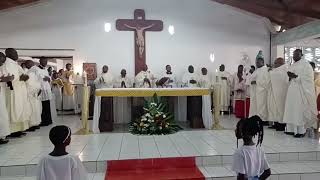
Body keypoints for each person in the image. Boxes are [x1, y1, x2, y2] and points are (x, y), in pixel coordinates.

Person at [283, 49, 318, 138]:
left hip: (300, 91)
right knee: (291, 108)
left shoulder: (306, 65)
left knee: (298, 110)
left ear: (301, 55)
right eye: (293, 55)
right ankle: (290, 129)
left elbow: (308, 78)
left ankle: (300, 131)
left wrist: (295, 76)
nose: (294, 56)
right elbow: (288, 77)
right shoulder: (293, 65)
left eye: (296, 55)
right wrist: (289, 77)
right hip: (292, 90)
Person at [232, 116, 271, 180]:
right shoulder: (259, 149)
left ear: (242, 133)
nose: (235, 130)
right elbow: (267, 172)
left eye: (237, 128)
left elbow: (241, 177)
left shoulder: (240, 152)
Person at [4, 48, 31, 137]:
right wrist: (20, 78)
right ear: (8, 54)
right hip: (13, 91)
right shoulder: (7, 63)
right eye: (15, 52)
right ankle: (12, 131)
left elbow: (23, 74)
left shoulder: (15, 64)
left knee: (19, 108)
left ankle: (18, 129)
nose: (17, 54)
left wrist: (25, 77)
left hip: (20, 90)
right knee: (13, 109)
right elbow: (8, 77)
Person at [267, 58, 289, 131]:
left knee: (280, 109)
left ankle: (281, 125)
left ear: (280, 63)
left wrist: (271, 72)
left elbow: (279, 77)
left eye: (276, 63)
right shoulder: (276, 70)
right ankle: (276, 123)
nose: (274, 64)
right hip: (274, 92)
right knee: (274, 108)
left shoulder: (284, 68)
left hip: (280, 93)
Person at [249, 58, 269, 124]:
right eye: (256, 62)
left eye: (258, 62)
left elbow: (266, 81)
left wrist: (256, 81)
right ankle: (256, 118)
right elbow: (251, 79)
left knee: (262, 106)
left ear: (263, 62)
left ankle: (263, 120)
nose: (257, 63)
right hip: (255, 91)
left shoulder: (265, 69)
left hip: (262, 92)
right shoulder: (257, 70)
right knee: (256, 106)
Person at [25, 60, 42, 131]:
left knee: (37, 110)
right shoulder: (28, 73)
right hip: (30, 95)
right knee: (31, 110)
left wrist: (39, 89)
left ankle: (36, 123)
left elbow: (38, 82)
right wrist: (34, 92)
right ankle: (30, 125)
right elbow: (28, 85)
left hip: (36, 94)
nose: (33, 66)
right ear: (27, 65)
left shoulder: (34, 73)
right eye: (31, 64)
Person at [0, 52, 14, 144]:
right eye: (1, 61)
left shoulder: (1, 68)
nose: (2, 63)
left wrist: (9, 79)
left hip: (1, 94)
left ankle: (1, 136)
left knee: (2, 115)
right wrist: (2, 79)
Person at [35, 58, 53, 126]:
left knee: (47, 105)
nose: (45, 62)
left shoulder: (45, 69)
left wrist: (49, 79)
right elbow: (36, 78)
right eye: (44, 61)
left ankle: (48, 120)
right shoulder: (36, 69)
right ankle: (43, 121)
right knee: (42, 106)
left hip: (47, 89)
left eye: (46, 61)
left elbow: (49, 78)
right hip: (41, 89)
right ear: (40, 61)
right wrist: (43, 79)